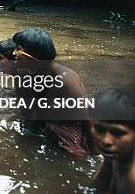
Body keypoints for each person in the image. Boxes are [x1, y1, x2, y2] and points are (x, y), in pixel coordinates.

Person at [12, 27, 93, 158]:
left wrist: (95, 152)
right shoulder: (23, 73)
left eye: (18, 49)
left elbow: (88, 118)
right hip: (43, 121)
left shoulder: (66, 81)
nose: (14, 53)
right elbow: (26, 110)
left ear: (33, 55)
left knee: (75, 156)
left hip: (66, 126)